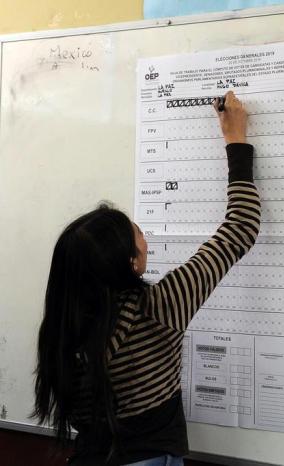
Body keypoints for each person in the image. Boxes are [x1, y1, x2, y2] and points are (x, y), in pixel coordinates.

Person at [32, 91, 260, 466]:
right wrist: (236, 139)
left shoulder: (61, 327)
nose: (146, 239)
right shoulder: (158, 307)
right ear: (129, 263)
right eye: (138, 234)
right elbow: (240, 227)